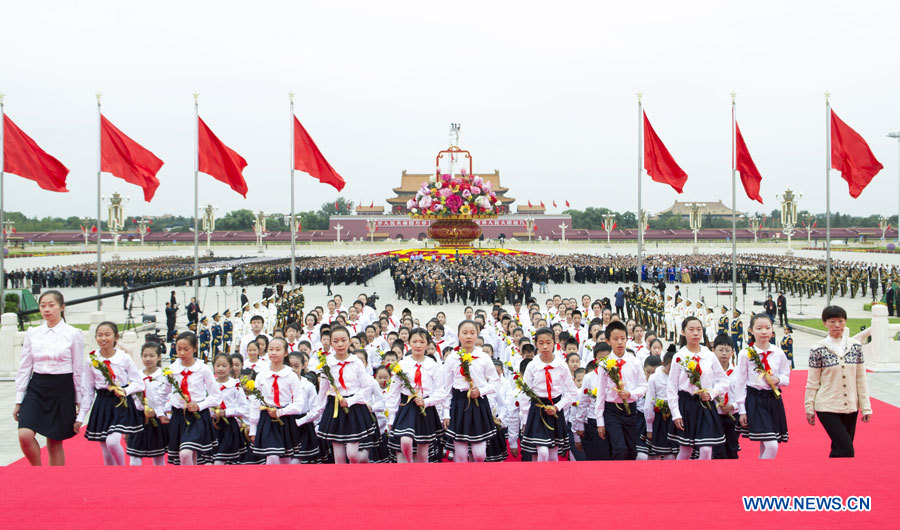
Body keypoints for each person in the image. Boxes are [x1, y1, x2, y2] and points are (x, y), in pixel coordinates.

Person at [14, 290, 85, 466]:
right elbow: (24, 367)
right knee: (24, 434)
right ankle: (37, 472)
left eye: (51, 305)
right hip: (37, 386)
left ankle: (54, 483)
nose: (47, 309)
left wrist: (79, 401)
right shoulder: (33, 333)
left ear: (62, 307)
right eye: (43, 305)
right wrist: (18, 400)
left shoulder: (73, 334)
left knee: (54, 442)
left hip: (62, 388)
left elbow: (78, 369)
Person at [805, 305, 873, 458]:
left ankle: (835, 479)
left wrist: (866, 407)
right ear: (825, 323)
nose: (837, 326)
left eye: (841, 321)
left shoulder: (855, 346)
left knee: (839, 448)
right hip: (826, 405)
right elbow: (813, 381)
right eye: (832, 321)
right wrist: (809, 407)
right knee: (846, 448)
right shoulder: (818, 349)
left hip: (850, 405)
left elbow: (860, 378)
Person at [75, 322, 144, 466]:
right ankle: (112, 479)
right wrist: (81, 417)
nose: (103, 338)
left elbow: (139, 383)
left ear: (116, 337)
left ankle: (122, 469)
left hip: (121, 403)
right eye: (100, 335)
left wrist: (124, 391)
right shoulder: (91, 361)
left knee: (112, 442)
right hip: (102, 403)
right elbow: (88, 391)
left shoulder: (123, 358)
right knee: (106, 450)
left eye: (107, 334)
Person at [667, 316, 729, 460]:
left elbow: (724, 381)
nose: (696, 333)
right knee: (685, 450)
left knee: (706, 449)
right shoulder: (679, 357)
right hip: (686, 405)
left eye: (699, 330)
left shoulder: (709, 355)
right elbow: (672, 387)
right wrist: (676, 413)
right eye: (691, 329)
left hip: (705, 405)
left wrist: (712, 393)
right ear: (683, 332)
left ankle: (703, 479)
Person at [314, 326, 376, 464]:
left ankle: (364, 457)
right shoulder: (327, 364)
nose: (340, 344)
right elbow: (323, 392)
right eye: (335, 341)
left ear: (349, 341)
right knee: (339, 456)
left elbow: (366, 387)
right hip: (335, 409)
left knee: (352, 455)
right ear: (330, 343)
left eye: (343, 340)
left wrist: (351, 401)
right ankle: (342, 483)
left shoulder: (356, 362)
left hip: (354, 409)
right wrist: (317, 414)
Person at [386, 328, 447, 463]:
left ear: (427, 344)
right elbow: (393, 392)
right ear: (409, 342)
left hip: (425, 408)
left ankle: (420, 475)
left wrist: (427, 402)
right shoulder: (402, 364)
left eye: (422, 341)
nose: (418, 345)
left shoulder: (433, 365)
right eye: (414, 341)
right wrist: (391, 417)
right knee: (405, 441)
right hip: (406, 407)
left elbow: (441, 392)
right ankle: (409, 463)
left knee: (423, 449)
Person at [250, 339, 315, 464]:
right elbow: (255, 403)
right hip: (267, 418)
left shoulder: (290, 376)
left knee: (285, 460)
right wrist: (253, 428)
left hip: (285, 419)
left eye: (278, 349)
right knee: (272, 456)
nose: (274, 352)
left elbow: (299, 404)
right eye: (271, 349)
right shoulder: (261, 375)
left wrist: (281, 412)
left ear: (285, 353)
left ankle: (284, 483)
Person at [443, 320, 499, 463]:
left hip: (478, 404)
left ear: (477, 335)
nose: (468, 336)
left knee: (479, 453)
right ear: (458, 335)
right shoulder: (452, 358)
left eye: (472, 333)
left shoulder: (484, 357)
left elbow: (495, 382)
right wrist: (446, 414)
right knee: (460, 453)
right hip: (459, 404)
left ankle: (477, 479)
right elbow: (446, 388)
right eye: (465, 333)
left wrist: (480, 391)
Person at [734, 314, 790, 459]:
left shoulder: (778, 353)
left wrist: (777, 379)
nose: (764, 332)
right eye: (759, 328)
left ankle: (761, 473)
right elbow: (740, 382)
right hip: (755, 399)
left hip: (773, 399)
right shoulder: (745, 354)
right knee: (772, 444)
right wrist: (742, 410)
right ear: (751, 331)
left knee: (767, 442)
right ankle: (764, 474)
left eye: (767, 328)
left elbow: (786, 376)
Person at [520, 327, 578, 462]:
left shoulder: (561, 365)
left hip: (554, 409)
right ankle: (538, 479)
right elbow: (525, 394)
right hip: (537, 410)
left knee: (552, 453)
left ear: (554, 343)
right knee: (542, 450)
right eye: (541, 343)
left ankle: (551, 480)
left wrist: (558, 406)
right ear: (536, 344)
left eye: (548, 342)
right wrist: (525, 419)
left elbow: (572, 391)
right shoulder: (532, 366)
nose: (545, 346)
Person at [164, 331, 220, 465]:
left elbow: (216, 395)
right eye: (179, 349)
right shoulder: (171, 369)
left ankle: (188, 479)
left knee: (186, 452)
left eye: (186, 349)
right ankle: (191, 480)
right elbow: (164, 393)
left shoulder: (203, 369)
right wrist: (162, 411)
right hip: (179, 416)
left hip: (197, 416)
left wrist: (199, 405)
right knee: (189, 453)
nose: (182, 353)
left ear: (195, 348)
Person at [595, 321, 646, 460]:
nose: (620, 342)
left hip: (630, 408)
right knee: (619, 448)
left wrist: (631, 394)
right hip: (612, 410)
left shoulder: (634, 361)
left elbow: (643, 386)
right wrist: (600, 421)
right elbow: (600, 393)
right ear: (608, 341)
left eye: (622, 338)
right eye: (615, 339)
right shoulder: (604, 364)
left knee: (631, 449)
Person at [127, 342, 169, 466]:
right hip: (139, 418)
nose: (148, 359)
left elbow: (169, 398)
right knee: (135, 453)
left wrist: (157, 411)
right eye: (145, 356)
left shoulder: (165, 377)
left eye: (152, 356)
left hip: (157, 418)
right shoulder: (136, 376)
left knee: (158, 455)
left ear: (159, 357)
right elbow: (132, 398)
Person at [211, 353, 249, 465]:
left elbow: (244, 408)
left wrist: (226, 412)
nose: (220, 369)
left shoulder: (235, 385)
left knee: (221, 460)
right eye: (218, 365)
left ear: (230, 367)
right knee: (210, 460)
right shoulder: (209, 384)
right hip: (212, 425)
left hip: (228, 426)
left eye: (224, 365)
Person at [711, 334, 740, 460]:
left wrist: (732, 406)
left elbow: (742, 394)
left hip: (733, 414)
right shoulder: (709, 372)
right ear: (713, 351)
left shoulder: (738, 372)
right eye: (720, 350)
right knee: (718, 450)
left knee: (732, 448)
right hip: (715, 415)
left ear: (733, 352)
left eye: (727, 350)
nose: (724, 353)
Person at [644, 351, 677, 460]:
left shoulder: (680, 376)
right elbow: (649, 403)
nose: (671, 371)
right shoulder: (654, 378)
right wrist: (649, 428)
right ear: (663, 364)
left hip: (675, 419)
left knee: (672, 455)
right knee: (656, 453)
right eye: (669, 368)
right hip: (659, 419)